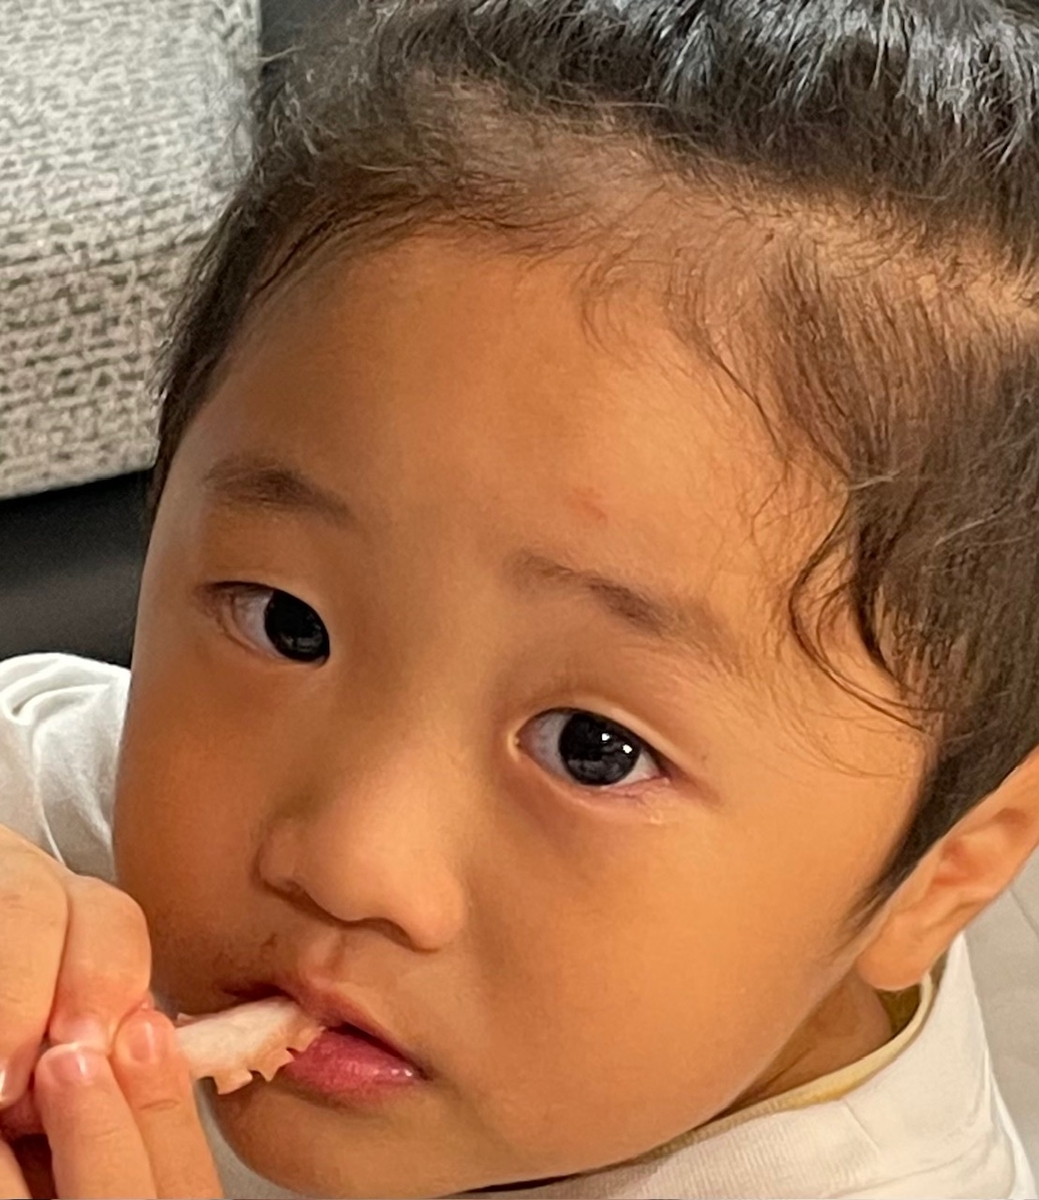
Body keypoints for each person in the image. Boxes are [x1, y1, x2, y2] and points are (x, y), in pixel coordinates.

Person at [2, 0, 1039, 1195]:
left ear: (942, 871)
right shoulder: (109, 831)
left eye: (594, 749)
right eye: (290, 625)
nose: (348, 859)